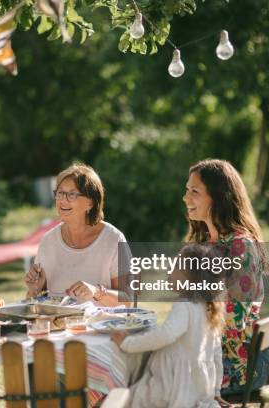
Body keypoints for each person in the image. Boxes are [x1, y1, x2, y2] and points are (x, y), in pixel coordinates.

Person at [183, 158, 269, 403]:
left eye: (194, 191)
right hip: (216, 352)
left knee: (162, 375)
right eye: (186, 190)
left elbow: (232, 320)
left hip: (239, 363)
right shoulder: (206, 244)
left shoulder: (239, 246)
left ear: (218, 196)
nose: (186, 198)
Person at [111, 244, 225, 408]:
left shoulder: (184, 306)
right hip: (199, 388)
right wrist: (216, 391)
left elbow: (166, 335)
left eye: (176, 267)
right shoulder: (208, 308)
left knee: (130, 396)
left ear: (192, 278)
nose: (169, 271)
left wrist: (127, 343)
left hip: (172, 387)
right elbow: (216, 354)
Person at [24, 163, 130, 306]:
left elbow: (128, 299)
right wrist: (34, 290)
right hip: (58, 326)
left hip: (101, 326)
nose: (62, 200)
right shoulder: (48, 241)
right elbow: (36, 301)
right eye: (60, 193)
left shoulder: (113, 239)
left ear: (90, 203)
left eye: (72, 194)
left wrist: (97, 292)